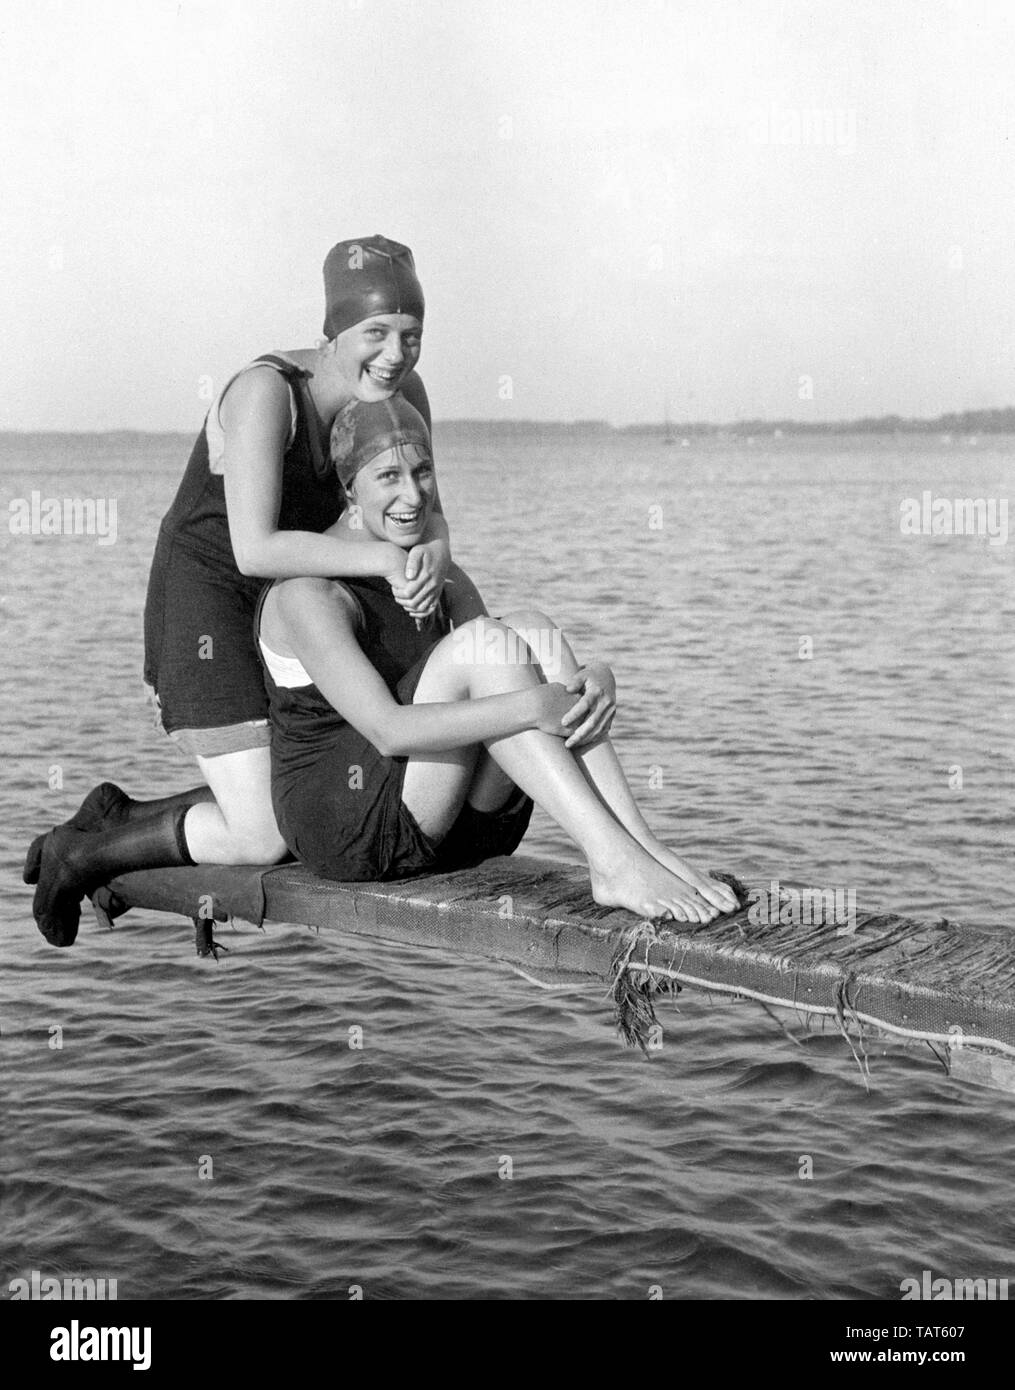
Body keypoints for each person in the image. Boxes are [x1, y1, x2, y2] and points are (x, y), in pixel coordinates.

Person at [28, 235, 452, 947]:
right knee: (261, 835)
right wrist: (387, 561)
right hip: (211, 596)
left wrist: (434, 556)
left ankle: (120, 816)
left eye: (410, 335)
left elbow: (426, 507)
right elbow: (252, 548)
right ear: (331, 331)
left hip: (295, 598)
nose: (394, 354)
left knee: (303, 797)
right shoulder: (266, 393)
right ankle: (85, 852)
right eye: (373, 333)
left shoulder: (405, 395)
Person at [256, 393, 739, 923]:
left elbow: (507, 669)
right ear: (349, 489)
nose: (414, 494)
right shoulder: (308, 595)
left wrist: (594, 679)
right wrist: (534, 706)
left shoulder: (437, 572)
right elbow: (389, 731)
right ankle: (611, 861)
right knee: (485, 644)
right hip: (352, 830)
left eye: (423, 472)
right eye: (388, 477)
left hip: (461, 823)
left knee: (529, 626)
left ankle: (639, 845)